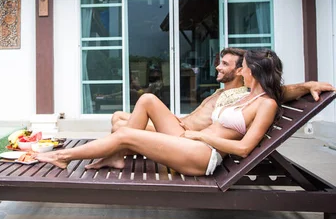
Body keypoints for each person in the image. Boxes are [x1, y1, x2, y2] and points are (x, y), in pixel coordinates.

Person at [36, 49, 285, 176]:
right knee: (146, 100)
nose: (243, 71)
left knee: (125, 135)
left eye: (245, 67)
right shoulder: (246, 95)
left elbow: (244, 148)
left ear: (254, 71)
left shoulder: (266, 103)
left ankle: (65, 156)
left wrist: (202, 137)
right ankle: (106, 156)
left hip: (203, 154)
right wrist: (191, 131)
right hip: (191, 142)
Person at [111, 47, 336, 133]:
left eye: (225, 64)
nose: (218, 67)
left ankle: (126, 150)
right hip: (179, 124)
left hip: (185, 136)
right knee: (119, 116)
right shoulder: (222, 92)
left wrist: (308, 85)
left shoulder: (246, 94)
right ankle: (127, 149)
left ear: (241, 71)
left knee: (122, 124)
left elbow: (281, 90)